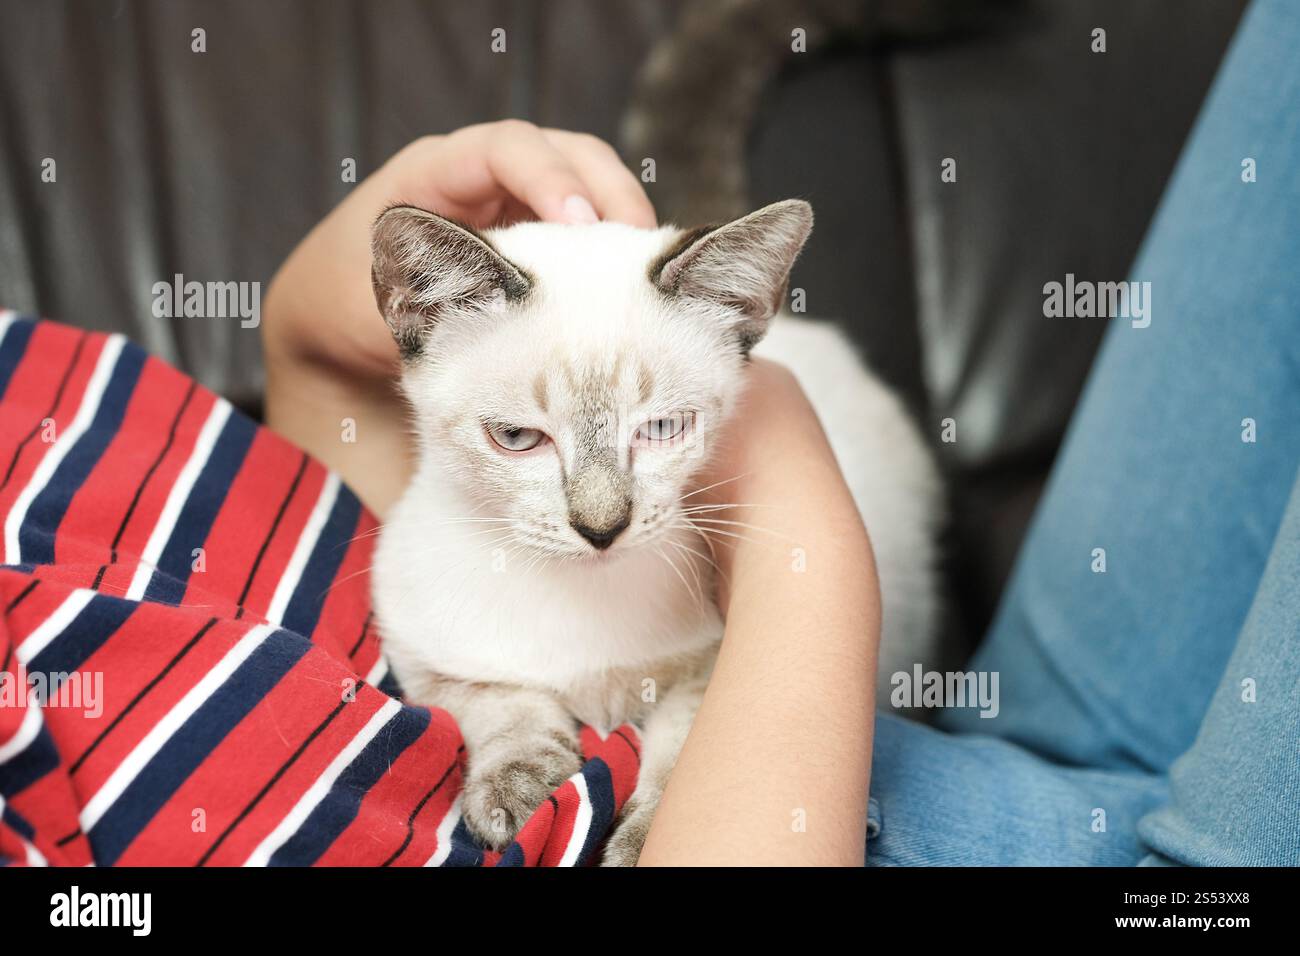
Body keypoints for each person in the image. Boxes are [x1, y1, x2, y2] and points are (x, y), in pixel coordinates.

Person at [262, 0, 1299, 866]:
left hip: (1031, 727)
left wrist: (299, 329)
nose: (600, 512)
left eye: (659, 429)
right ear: (420, 329)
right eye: (522, 439)